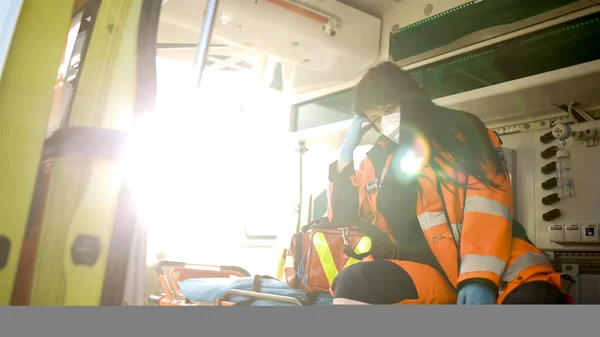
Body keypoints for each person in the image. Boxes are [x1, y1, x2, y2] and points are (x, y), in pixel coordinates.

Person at [326, 61, 571, 305]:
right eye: (375, 118)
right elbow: (342, 217)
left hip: (498, 263)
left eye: (391, 108)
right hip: (427, 272)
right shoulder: (377, 159)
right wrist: (344, 157)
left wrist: (479, 277)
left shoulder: (462, 132)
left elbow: (486, 204)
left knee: (536, 299)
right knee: (353, 282)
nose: (385, 123)